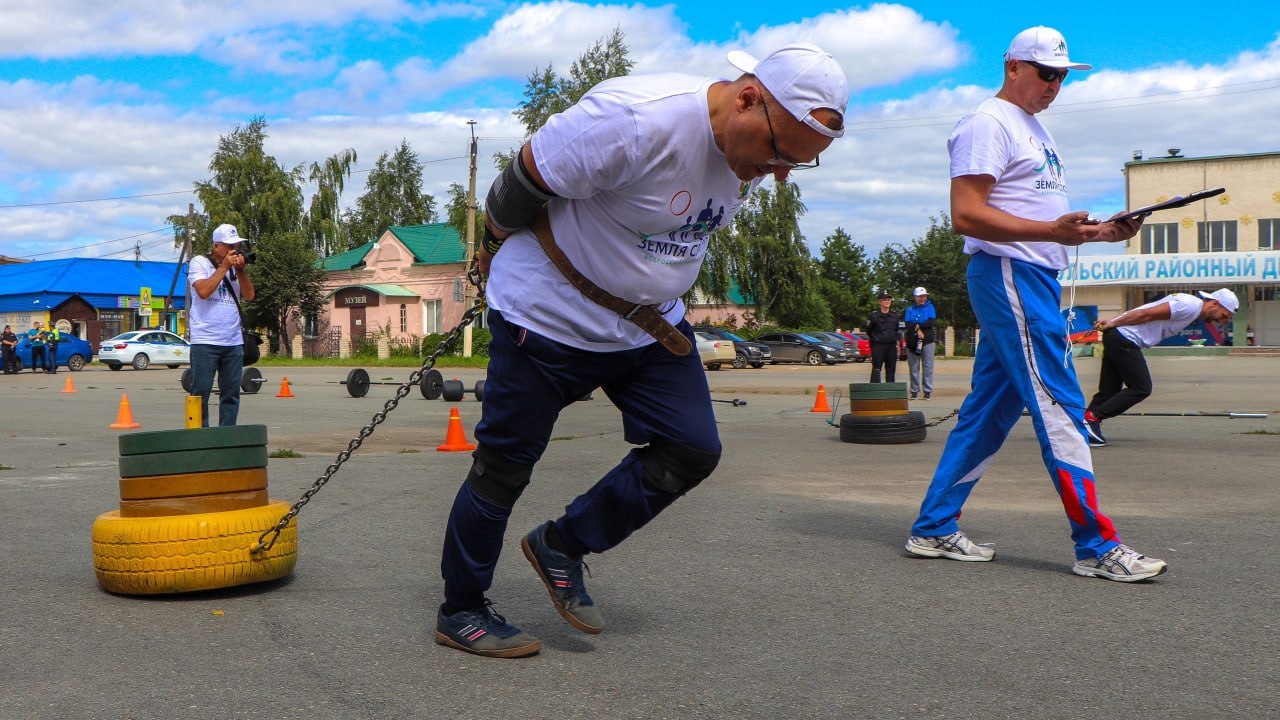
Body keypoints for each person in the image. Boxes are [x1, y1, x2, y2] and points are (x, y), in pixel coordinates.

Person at [434, 44, 848, 658]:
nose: (780, 172)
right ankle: (461, 610)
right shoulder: (634, 121)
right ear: (748, 98)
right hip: (546, 321)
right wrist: (491, 246)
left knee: (692, 449)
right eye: (780, 153)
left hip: (647, 330)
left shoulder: (745, 153)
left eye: (798, 164)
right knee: (504, 470)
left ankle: (562, 545)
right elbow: (522, 180)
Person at [905, 26, 1168, 582]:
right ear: (1013, 67)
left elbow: (1046, 223)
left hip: (1034, 275)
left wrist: (1099, 232)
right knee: (1059, 404)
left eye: (1063, 76)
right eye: (1047, 73)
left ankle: (932, 529)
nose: (1055, 85)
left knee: (988, 413)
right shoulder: (987, 123)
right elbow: (966, 214)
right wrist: (1050, 228)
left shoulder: (1035, 130)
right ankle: (1097, 546)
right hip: (1010, 274)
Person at [1084, 288, 1237, 446]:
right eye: (1224, 316)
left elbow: (1143, 311)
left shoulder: (1192, 307)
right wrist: (1114, 322)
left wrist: (1113, 322)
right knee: (1140, 388)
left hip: (1118, 336)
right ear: (1215, 303)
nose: (1222, 321)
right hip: (1125, 339)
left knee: (1109, 391)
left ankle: (1081, 427)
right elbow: (1145, 314)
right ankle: (1091, 418)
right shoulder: (1189, 305)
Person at [187, 223, 255, 427]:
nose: (234, 250)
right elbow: (203, 292)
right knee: (200, 391)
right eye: (229, 245)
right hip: (205, 340)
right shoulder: (200, 263)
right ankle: (199, 436)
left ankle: (227, 436)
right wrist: (224, 267)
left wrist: (241, 271)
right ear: (217, 246)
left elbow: (250, 296)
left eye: (237, 245)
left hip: (232, 341)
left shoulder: (234, 269)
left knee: (231, 393)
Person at [903, 286, 936, 399]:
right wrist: (917, 329)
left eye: (924, 296)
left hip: (927, 341)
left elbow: (930, 323)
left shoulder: (930, 307)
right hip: (913, 340)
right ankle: (914, 391)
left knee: (927, 366)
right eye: (920, 296)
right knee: (913, 367)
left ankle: (927, 391)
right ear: (915, 297)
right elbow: (908, 324)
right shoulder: (910, 309)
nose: (922, 298)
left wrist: (917, 325)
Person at [866, 292, 899, 382]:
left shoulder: (894, 316)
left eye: (888, 299)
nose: (887, 301)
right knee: (876, 369)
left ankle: (890, 391)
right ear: (880, 302)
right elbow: (869, 331)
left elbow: (896, 330)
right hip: (878, 345)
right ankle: (874, 390)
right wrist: (876, 339)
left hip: (891, 346)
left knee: (891, 369)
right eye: (884, 300)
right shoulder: (874, 315)